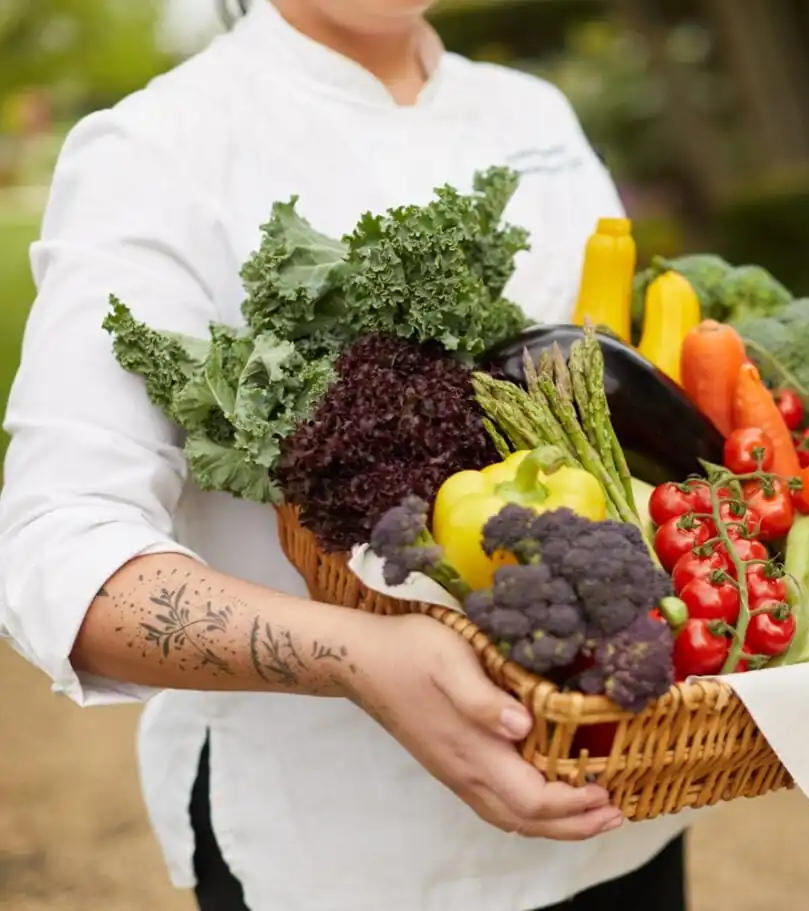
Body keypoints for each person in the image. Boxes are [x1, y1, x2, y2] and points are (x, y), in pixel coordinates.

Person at [0, 2, 691, 909]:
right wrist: (357, 655)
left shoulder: (533, 112)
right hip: (341, 858)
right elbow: (56, 549)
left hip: (621, 816)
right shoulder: (156, 148)